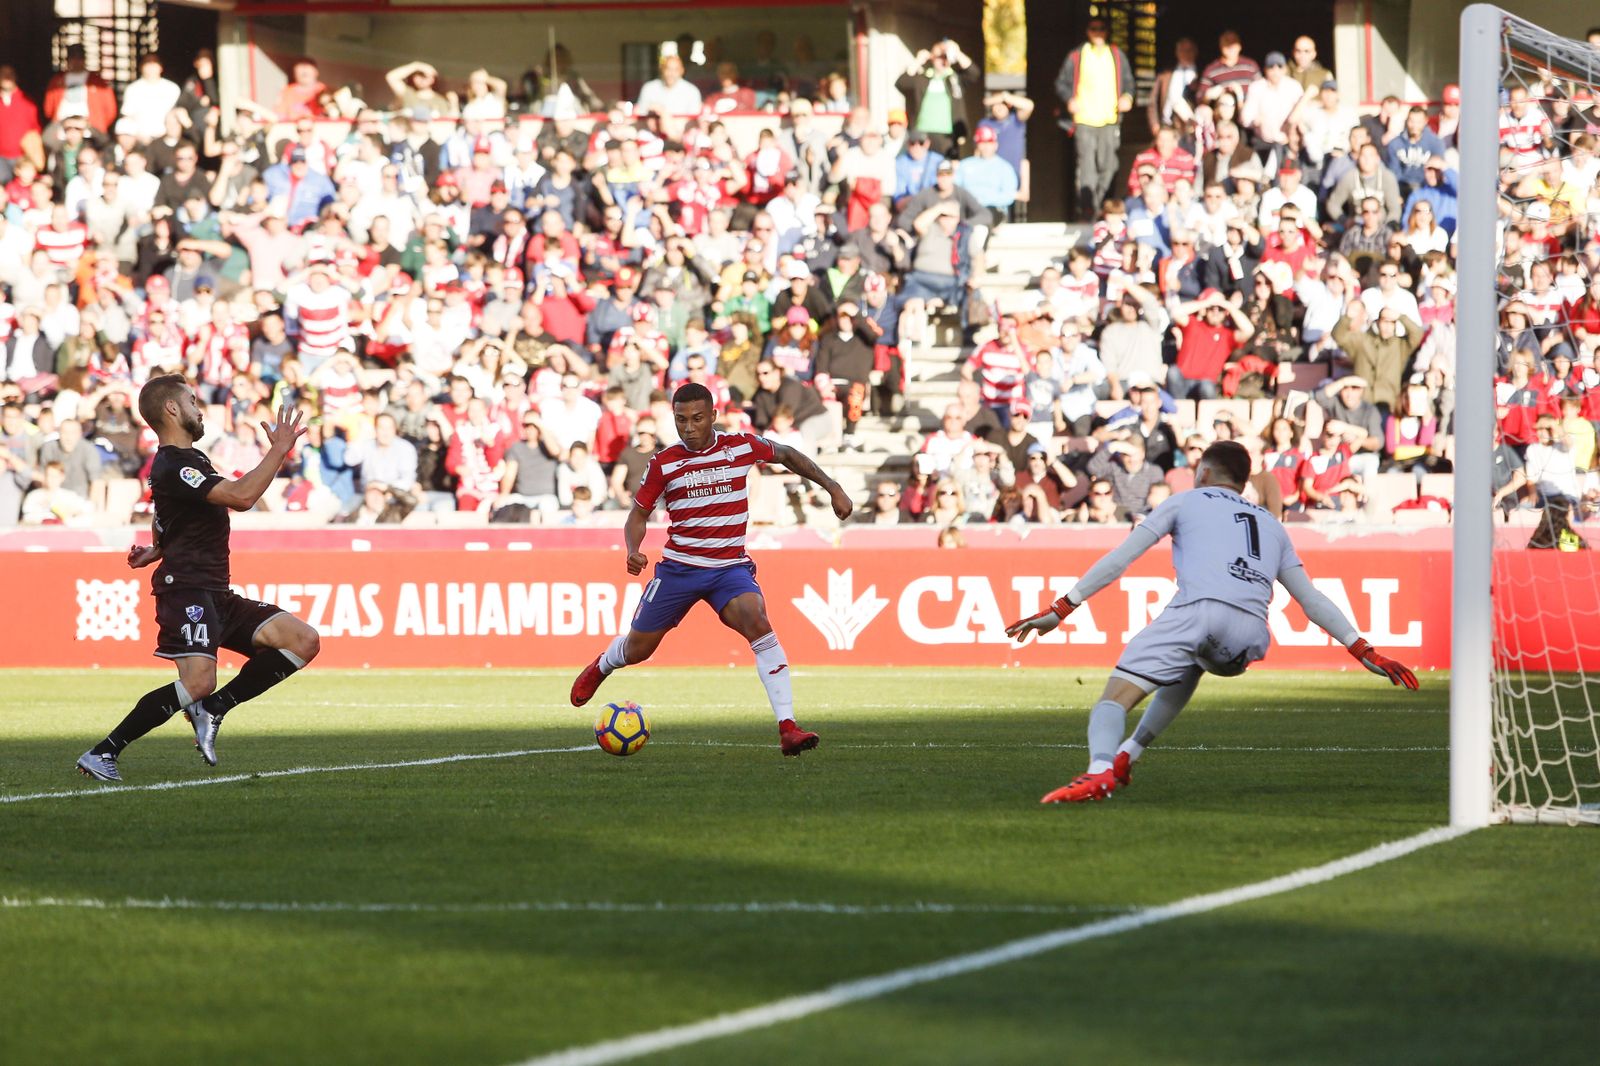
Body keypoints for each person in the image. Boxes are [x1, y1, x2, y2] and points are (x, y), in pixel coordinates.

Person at [1004, 439, 1419, 804]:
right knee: (1191, 662)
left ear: (1202, 471)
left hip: (1199, 611)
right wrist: (1361, 647)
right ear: (1243, 481)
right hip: (1250, 637)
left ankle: (1099, 771)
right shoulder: (1272, 525)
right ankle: (1129, 753)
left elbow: (1122, 558)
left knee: (1113, 700)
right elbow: (1309, 597)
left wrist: (1062, 608)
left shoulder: (1185, 500)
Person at [568, 382, 853, 756]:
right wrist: (633, 549)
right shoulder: (663, 463)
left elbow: (786, 454)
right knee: (638, 650)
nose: (688, 427)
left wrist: (832, 486)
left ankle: (788, 727)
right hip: (679, 570)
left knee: (758, 621)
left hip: (728, 569)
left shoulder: (741, 446)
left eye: (697, 418)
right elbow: (637, 515)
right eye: (681, 420)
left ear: (714, 416)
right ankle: (604, 665)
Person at [76, 379, 321, 782]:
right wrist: (279, 450)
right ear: (172, 409)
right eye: (191, 400)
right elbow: (241, 497)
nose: (199, 408)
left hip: (216, 591)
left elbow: (167, 514)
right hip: (187, 588)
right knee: (198, 681)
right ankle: (103, 752)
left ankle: (213, 708)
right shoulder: (175, 463)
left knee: (302, 640)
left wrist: (157, 548)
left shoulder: (188, 460)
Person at [1056, 18, 1135, 219]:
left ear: (1107, 32)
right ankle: (1088, 210)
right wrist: (1069, 99)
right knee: (1087, 167)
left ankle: (1103, 206)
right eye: (1094, 29)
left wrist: (1127, 97)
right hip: (1084, 119)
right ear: (1087, 31)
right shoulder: (1077, 55)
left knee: (1109, 166)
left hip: (1109, 119)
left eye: (1101, 29)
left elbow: (1128, 82)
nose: (1098, 33)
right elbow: (1061, 83)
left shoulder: (1116, 55)